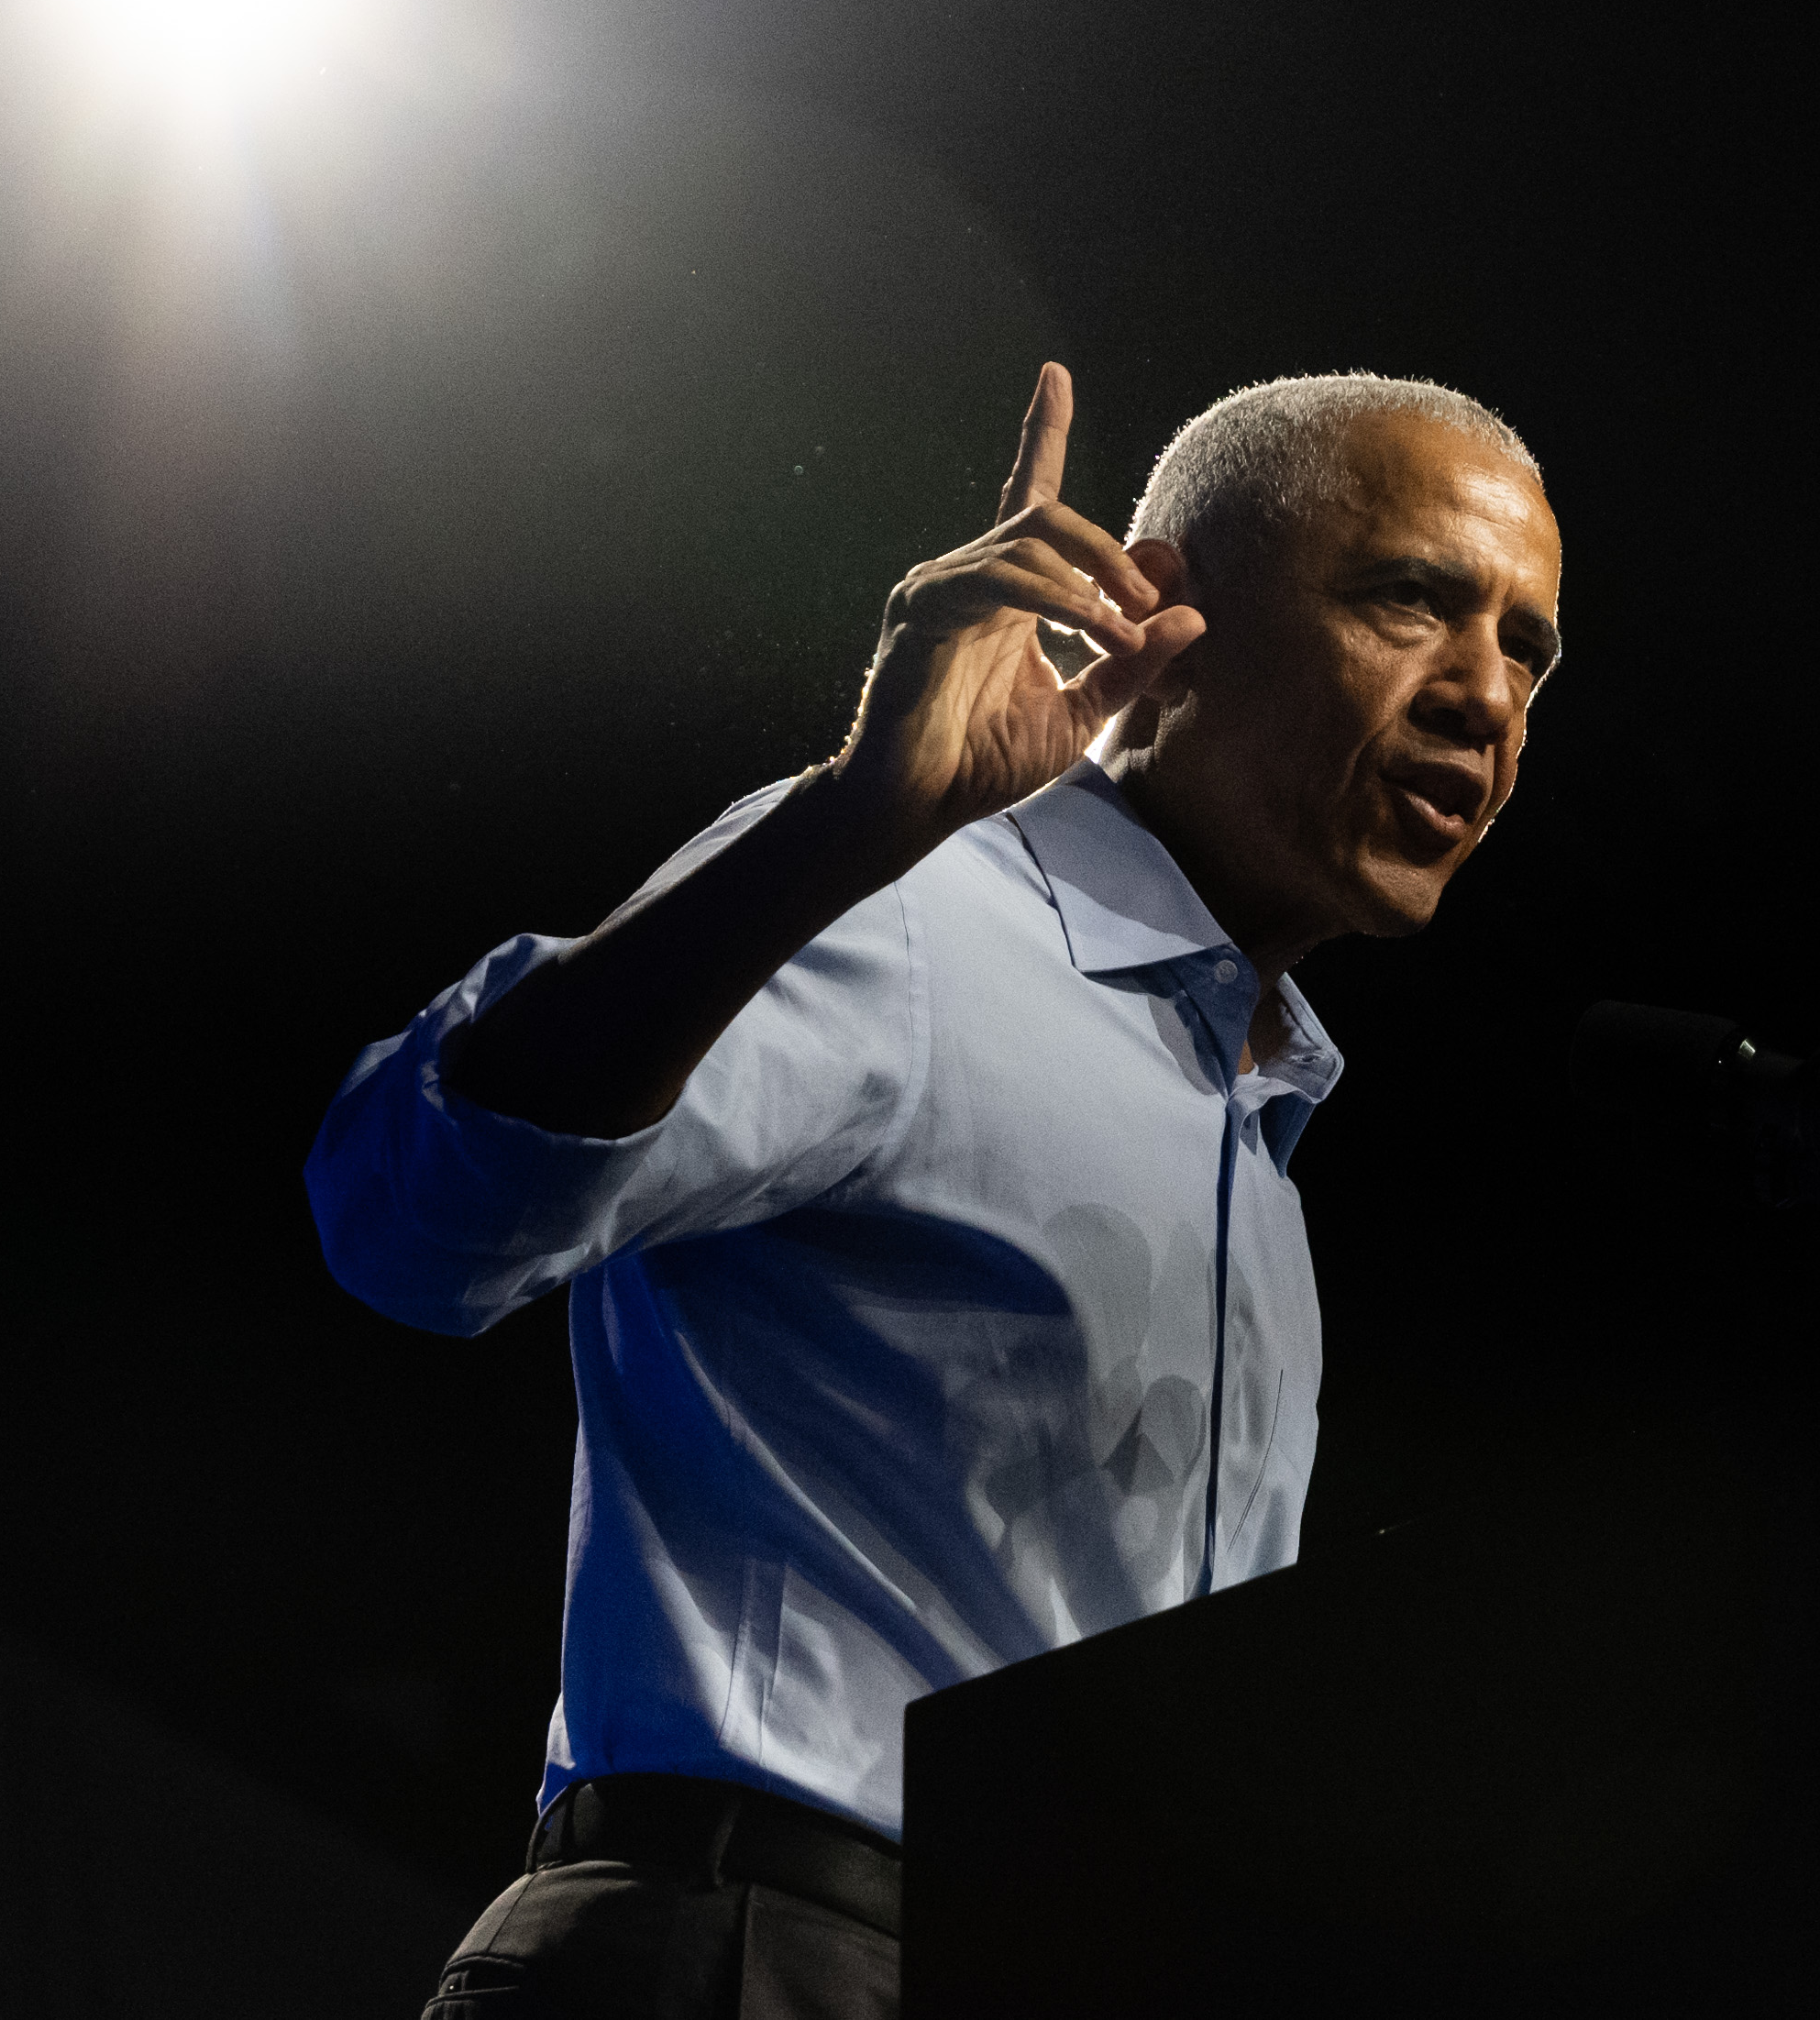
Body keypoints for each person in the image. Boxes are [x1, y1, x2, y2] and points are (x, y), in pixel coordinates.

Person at [304, 361, 1564, 2020]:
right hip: (755, 1949)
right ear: (1159, 609)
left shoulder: (1263, 1161)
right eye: (1413, 602)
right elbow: (410, 1216)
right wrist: (847, 820)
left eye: (1528, 650)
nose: (1486, 694)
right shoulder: (919, 906)